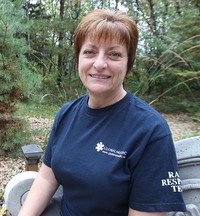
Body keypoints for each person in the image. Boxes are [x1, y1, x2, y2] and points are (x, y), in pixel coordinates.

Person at [18, 9, 187, 216]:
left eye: (114, 54)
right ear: (78, 58)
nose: (99, 64)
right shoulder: (67, 114)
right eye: (89, 52)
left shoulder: (150, 131)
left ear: (128, 63)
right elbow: (46, 177)